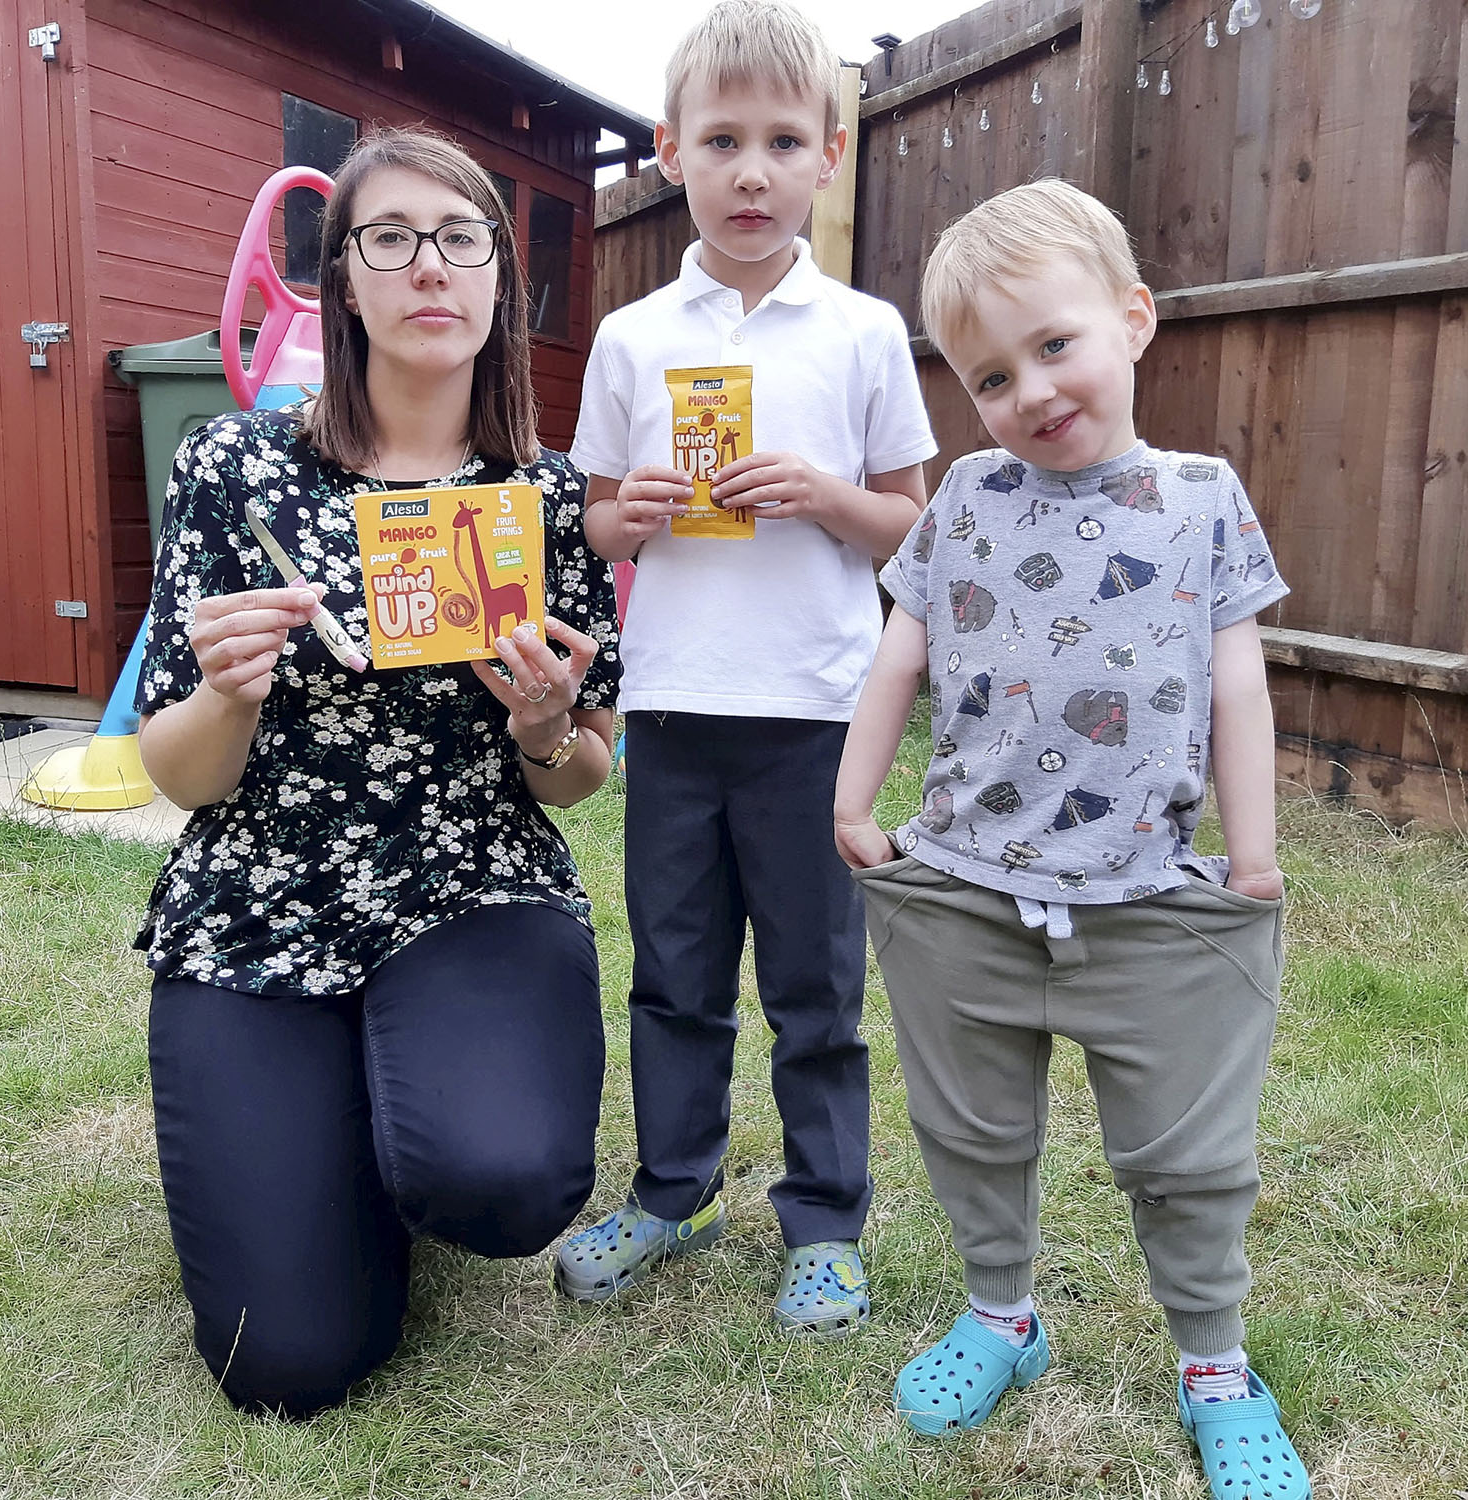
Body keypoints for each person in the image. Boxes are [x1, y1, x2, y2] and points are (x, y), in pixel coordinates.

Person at [133, 127, 621, 1420]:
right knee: (288, 1363)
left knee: (504, 1180)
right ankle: (331, 1123)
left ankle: (416, 1113)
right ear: (342, 280)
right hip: (260, 896)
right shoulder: (236, 472)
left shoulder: (545, 501)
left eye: (461, 239)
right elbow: (179, 774)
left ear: (501, 279)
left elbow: (582, 770)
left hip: (473, 881)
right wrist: (228, 692)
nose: (429, 267)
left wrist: (544, 724)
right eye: (390, 239)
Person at [833, 178, 1309, 1498]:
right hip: (965, 890)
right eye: (991, 376)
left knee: (1190, 1154)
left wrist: (1254, 854)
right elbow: (898, 658)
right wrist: (854, 805)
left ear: (1134, 318)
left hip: (1151, 897)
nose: (1031, 392)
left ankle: (1215, 1364)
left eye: (1055, 345)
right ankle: (1002, 1314)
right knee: (970, 1126)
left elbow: (1239, 687)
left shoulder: (1203, 500)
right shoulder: (964, 499)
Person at [559, 0, 936, 1337]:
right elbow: (594, 521)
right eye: (722, 141)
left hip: (817, 718)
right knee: (673, 974)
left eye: (783, 142)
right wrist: (635, 512)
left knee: (816, 990)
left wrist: (826, 496)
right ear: (672, 153)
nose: (753, 172)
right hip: (671, 712)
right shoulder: (634, 337)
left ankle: (825, 1222)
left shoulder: (865, 332)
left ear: (829, 156)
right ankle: (674, 1194)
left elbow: (913, 525)